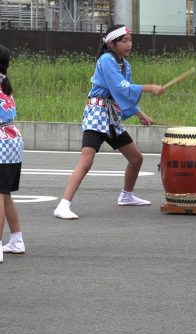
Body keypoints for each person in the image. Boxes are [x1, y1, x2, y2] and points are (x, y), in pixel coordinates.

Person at [53, 25, 164, 219]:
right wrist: (149, 87)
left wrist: (139, 113)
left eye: (130, 40)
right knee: (86, 160)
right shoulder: (106, 60)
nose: (129, 44)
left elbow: (122, 96)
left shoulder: (125, 65)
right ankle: (63, 204)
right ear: (111, 43)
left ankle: (126, 196)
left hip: (111, 115)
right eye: (124, 41)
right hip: (97, 112)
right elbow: (121, 88)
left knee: (136, 158)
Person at [0, 45, 25, 259]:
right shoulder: (4, 82)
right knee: (5, 195)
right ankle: (16, 240)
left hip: (1, 144)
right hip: (12, 142)